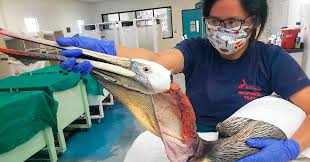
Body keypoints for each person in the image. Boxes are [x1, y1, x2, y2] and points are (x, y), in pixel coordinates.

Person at [56, 0, 310, 161]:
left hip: (243, 145)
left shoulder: (270, 59)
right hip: (192, 142)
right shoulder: (195, 50)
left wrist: (290, 148)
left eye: (232, 21)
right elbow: (155, 60)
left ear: (252, 22)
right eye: (214, 21)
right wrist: (107, 53)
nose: (222, 29)